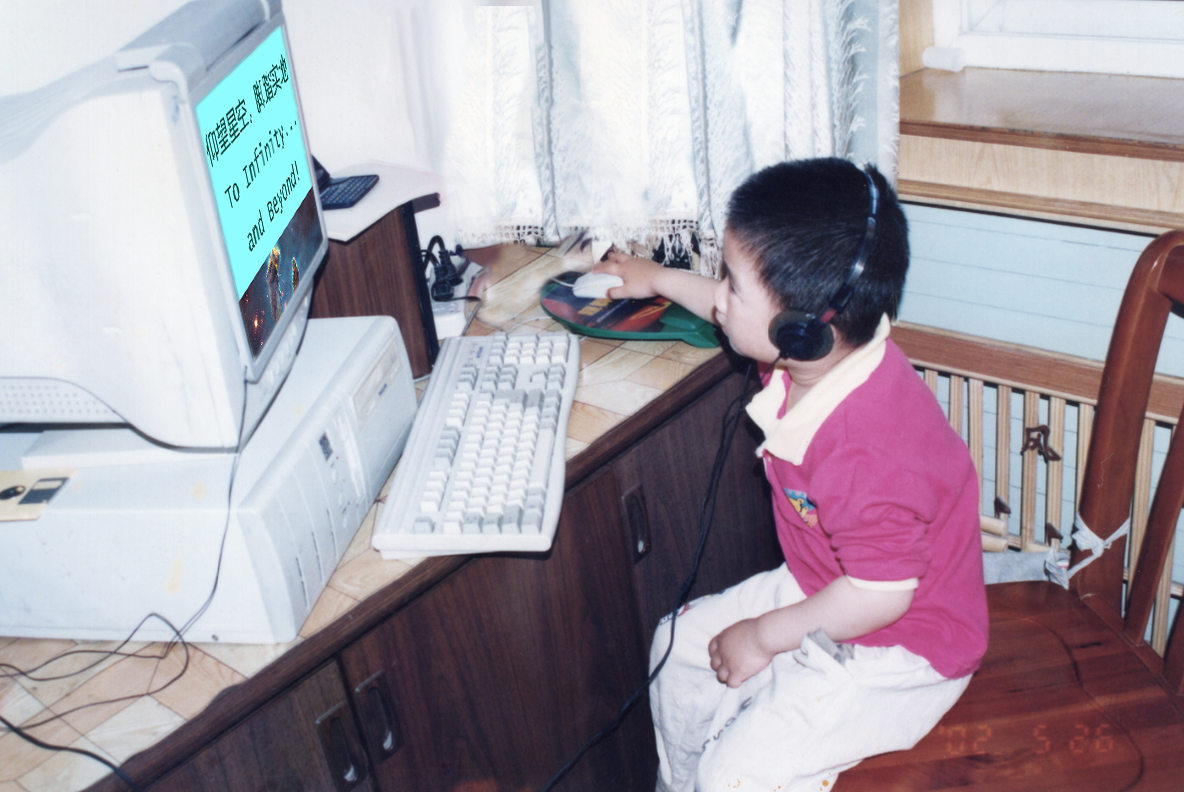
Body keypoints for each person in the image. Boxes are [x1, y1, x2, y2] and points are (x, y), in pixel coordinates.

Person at [595, 157, 988, 792]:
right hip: (827, 585)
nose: (719, 297)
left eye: (733, 285)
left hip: (904, 645)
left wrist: (761, 636)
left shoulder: (868, 449)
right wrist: (657, 278)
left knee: (737, 775)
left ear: (801, 332)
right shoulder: (818, 355)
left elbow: (881, 594)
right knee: (678, 647)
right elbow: (729, 310)